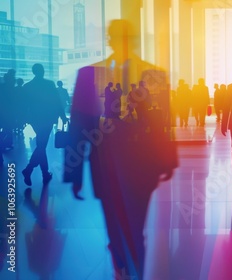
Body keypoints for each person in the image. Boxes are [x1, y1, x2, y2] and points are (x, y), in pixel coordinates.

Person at [64, 19, 177, 279]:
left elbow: (163, 119)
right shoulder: (89, 74)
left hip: (141, 161)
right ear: (110, 40)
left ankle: (129, 262)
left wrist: (167, 158)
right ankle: (121, 258)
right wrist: (74, 171)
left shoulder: (154, 74)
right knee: (115, 221)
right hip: (106, 161)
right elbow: (79, 122)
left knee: (135, 222)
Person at [22, 64, 68, 186]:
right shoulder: (49, 84)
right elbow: (57, 102)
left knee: (41, 146)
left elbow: (24, 106)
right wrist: (63, 117)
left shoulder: (27, 87)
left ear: (33, 72)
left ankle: (44, 174)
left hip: (36, 121)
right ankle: (29, 170)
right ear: (42, 71)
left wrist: (25, 119)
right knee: (41, 146)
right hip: (48, 119)